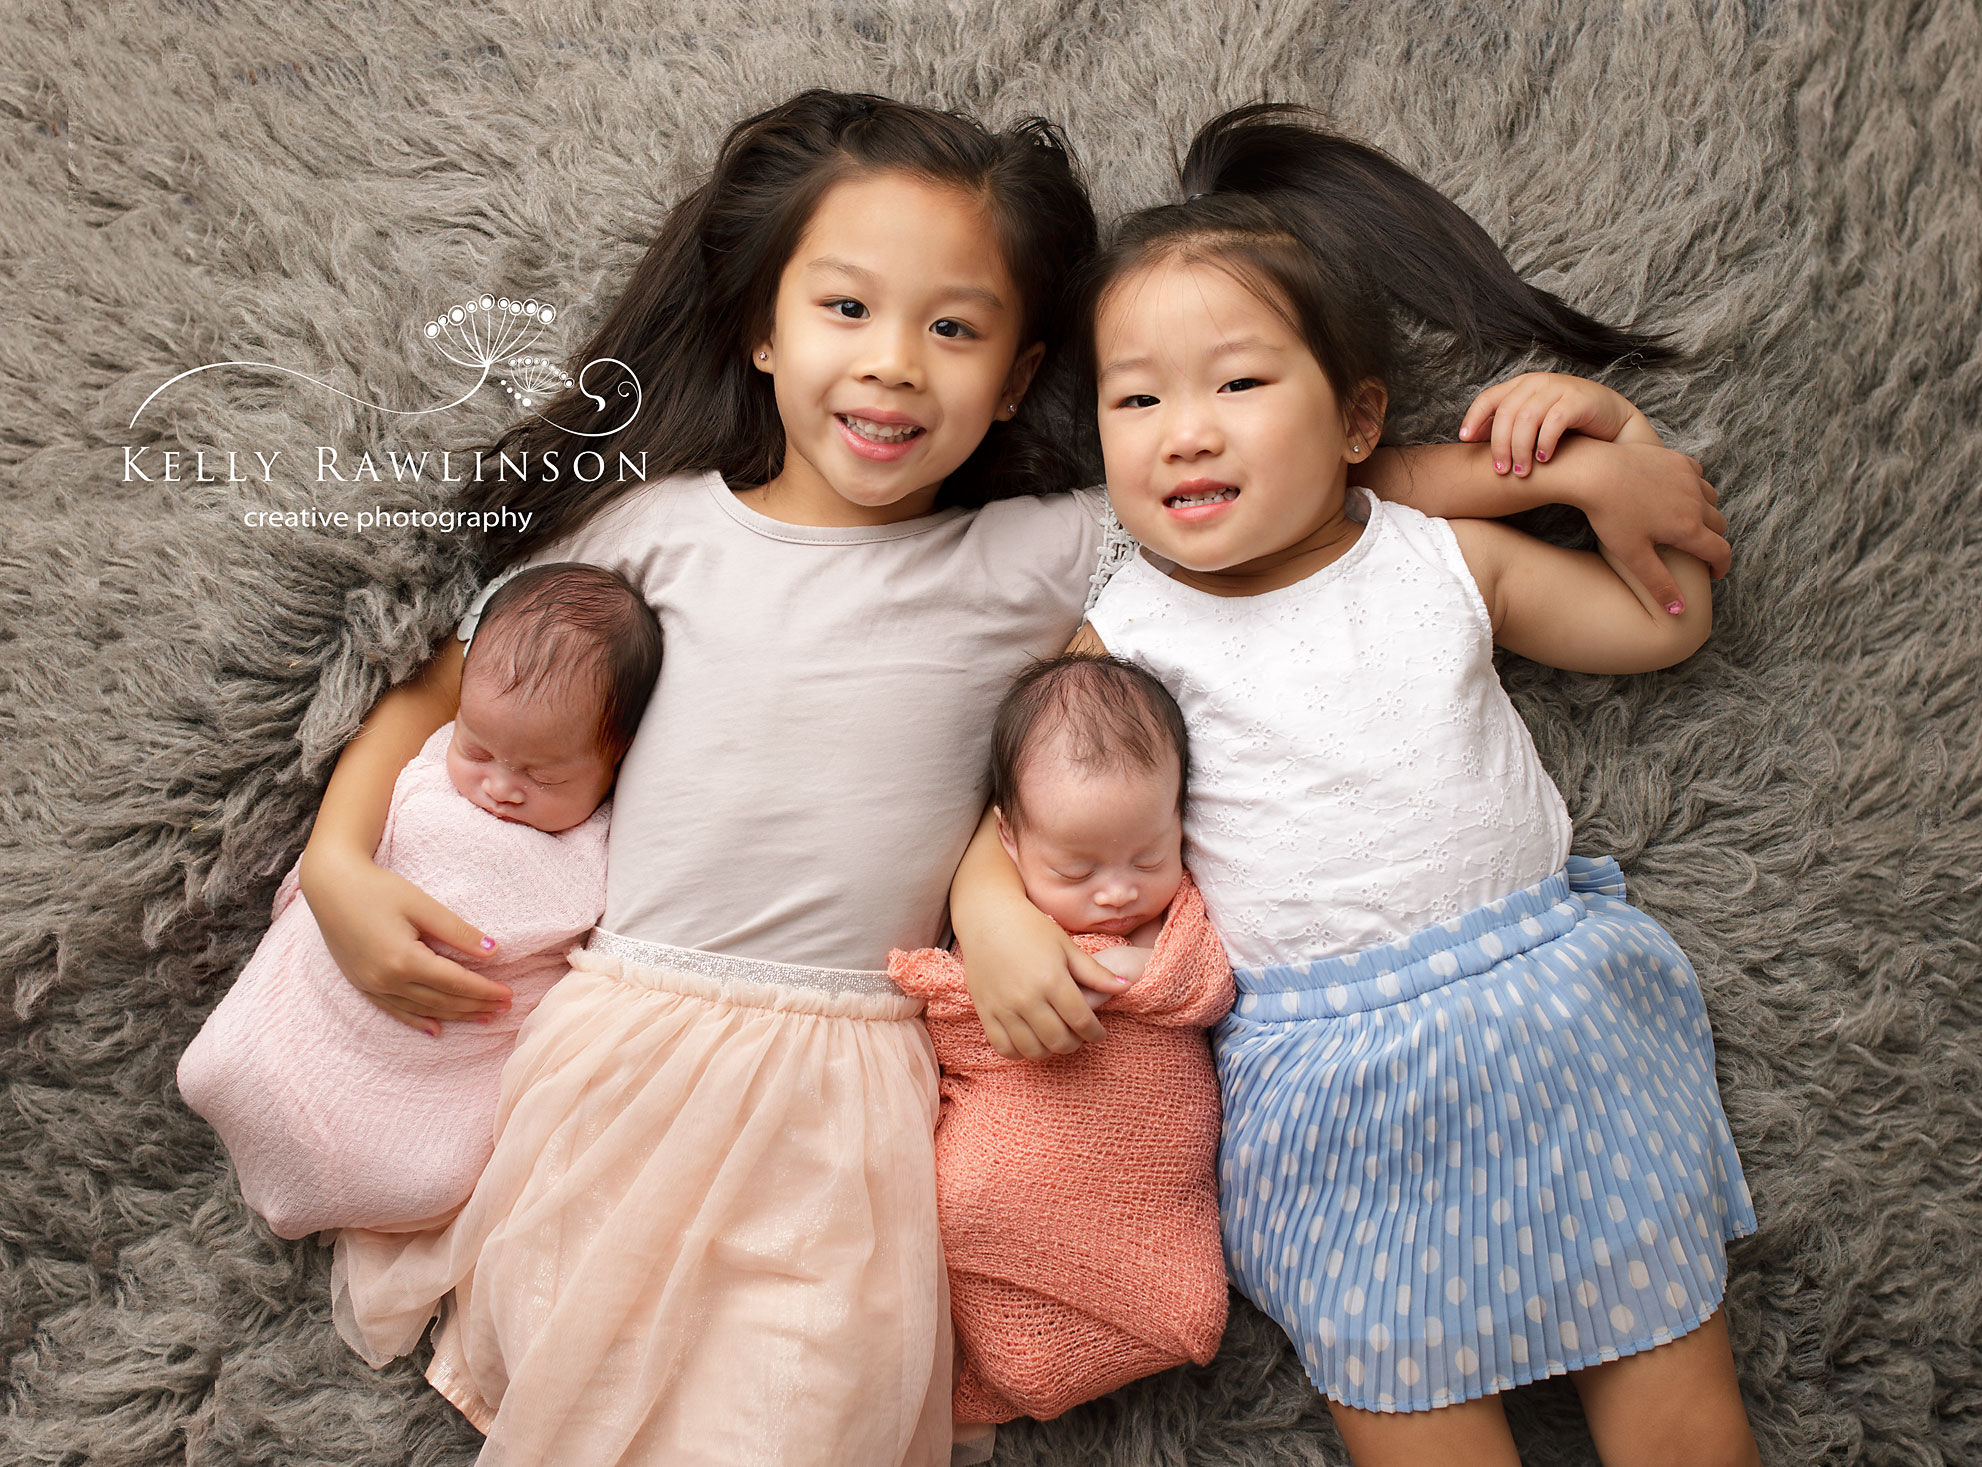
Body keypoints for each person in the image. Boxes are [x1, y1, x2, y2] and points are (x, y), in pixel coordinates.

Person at [294, 90, 1733, 1466]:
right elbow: (438, 688)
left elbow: (1298, 493)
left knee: (798, 1402)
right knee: (589, 1373)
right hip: (637, 1039)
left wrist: (1572, 463)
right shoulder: (656, 529)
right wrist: (339, 864)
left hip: (855, 1071)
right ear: (759, 329)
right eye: (845, 308)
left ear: (1022, 379)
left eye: (955, 327)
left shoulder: (1050, 549)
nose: (894, 363)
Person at [949, 106, 1760, 1467]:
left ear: (1359, 418)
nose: (1185, 434)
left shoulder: (1438, 554)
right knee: (1415, 1427)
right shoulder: (1127, 628)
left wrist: (1609, 437)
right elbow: (1004, 820)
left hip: (1555, 1022)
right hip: (1325, 1081)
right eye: (1137, 399)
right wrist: (994, 914)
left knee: (1682, 1423)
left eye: (1241, 386)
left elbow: (1664, 622)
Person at [176, 563, 658, 1239]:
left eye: (541, 773)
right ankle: (250, 1064)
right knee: (228, 1062)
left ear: (618, 760)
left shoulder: (598, 848)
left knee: (425, 1173)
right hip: (330, 994)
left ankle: (386, 1165)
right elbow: (368, 836)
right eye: (478, 748)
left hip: (435, 1062)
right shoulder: (428, 767)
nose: (498, 787)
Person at [887, 654, 1233, 1457]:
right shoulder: (1001, 920)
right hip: (992, 1210)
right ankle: (974, 1398)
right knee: (954, 1227)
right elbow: (942, 1005)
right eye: (1075, 869)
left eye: (1149, 858)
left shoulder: (1168, 920)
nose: (1116, 892)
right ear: (1006, 839)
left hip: (1139, 1200)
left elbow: (1203, 981)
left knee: (1181, 1299)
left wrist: (1136, 971)